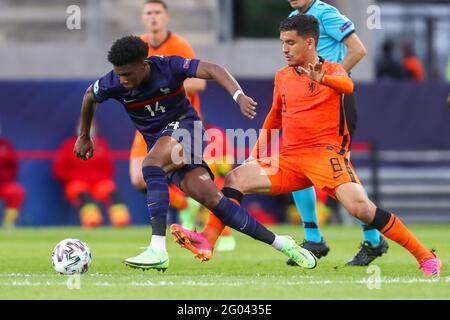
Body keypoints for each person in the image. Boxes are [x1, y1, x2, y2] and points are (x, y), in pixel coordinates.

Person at [171, 15, 442, 277]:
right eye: (282, 42)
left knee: (361, 209)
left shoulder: (333, 69)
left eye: (290, 42)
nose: (284, 49)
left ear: (310, 43)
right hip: (289, 159)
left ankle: (425, 256)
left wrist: (322, 79)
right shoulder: (283, 76)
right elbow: (275, 116)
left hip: (325, 159)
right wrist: (256, 154)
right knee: (235, 177)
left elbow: (347, 85)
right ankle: (207, 240)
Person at [73, 35, 317, 271]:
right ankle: (282, 243)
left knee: (151, 165)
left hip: (188, 130)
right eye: (118, 73)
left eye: (127, 74)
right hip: (164, 145)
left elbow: (213, 70)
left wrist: (238, 95)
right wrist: (84, 136)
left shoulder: (168, 66)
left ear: (143, 64)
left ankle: (157, 249)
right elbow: (88, 97)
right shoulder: (113, 81)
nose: (122, 79)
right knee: (216, 202)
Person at [279, 0, 387, 266]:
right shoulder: (295, 17)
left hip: (333, 101)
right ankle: (313, 237)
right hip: (308, 100)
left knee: (338, 169)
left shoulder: (326, 13)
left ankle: (373, 239)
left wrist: (332, 79)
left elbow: (358, 50)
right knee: (297, 164)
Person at [54, 123, 131, 228]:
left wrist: (99, 178)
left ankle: (121, 222)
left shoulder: (101, 144)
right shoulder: (68, 145)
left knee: (112, 192)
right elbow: (59, 170)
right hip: (77, 183)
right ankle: (92, 222)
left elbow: (109, 167)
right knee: (82, 194)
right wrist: (75, 178)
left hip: (99, 183)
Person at [0, 137, 25, 228]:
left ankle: (8, 223)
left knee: (16, 192)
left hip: (4, 183)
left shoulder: (5, 145)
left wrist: (6, 177)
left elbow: (14, 166)